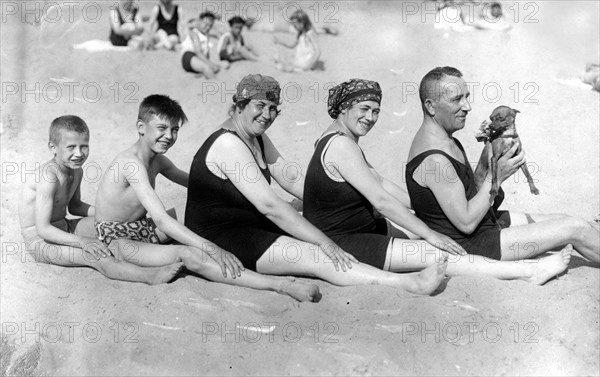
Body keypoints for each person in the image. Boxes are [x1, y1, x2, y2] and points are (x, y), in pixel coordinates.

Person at [185, 74, 449, 296]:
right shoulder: (228, 144)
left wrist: (338, 202)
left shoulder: (256, 138)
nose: (267, 114)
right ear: (239, 105)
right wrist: (326, 242)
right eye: (259, 106)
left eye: (273, 108)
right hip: (221, 240)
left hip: (246, 225)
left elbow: (291, 179)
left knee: (308, 221)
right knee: (319, 255)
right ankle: (407, 283)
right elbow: (270, 206)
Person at [303, 78, 572, 284]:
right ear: (343, 108)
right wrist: (430, 233)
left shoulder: (338, 138)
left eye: (375, 111)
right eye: (364, 109)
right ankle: (529, 271)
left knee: (431, 236)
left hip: (366, 227)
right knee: (443, 254)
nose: (370, 118)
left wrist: (424, 208)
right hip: (346, 240)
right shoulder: (341, 146)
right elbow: (382, 201)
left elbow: (380, 182)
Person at [93, 94, 320, 302]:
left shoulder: (158, 161)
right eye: (161, 128)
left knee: (196, 209)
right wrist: (212, 247)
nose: (169, 136)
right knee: (188, 253)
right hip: (118, 240)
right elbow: (161, 220)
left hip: (141, 227)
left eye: (174, 129)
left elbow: (201, 184)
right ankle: (279, 285)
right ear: (141, 127)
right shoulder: (131, 164)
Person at [406, 66, 599, 264]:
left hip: (486, 223)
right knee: (577, 229)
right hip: (475, 244)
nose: (467, 106)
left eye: (467, 97)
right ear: (430, 106)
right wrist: (495, 175)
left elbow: (463, 193)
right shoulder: (435, 160)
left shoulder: (445, 140)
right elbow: (466, 223)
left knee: (564, 219)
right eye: (457, 99)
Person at [18, 115, 181, 284]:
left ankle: (151, 246)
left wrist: (110, 217)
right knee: (96, 257)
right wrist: (83, 241)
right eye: (71, 147)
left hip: (64, 227)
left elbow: (75, 207)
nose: (78, 154)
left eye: (84, 147)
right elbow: (43, 229)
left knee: (113, 226)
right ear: (53, 147)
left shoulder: (76, 171)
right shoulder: (48, 177)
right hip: (40, 241)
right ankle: (151, 276)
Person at [180, 11, 225, 78]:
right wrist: (210, 64)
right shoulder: (194, 33)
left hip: (198, 58)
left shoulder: (206, 36)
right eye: (205, 24)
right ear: (199, 21)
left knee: (222, 65)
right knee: (207, 68)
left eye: (210, 26)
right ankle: (215, 81)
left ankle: (201, 71)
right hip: (189, 56)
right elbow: (198, 52)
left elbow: (206, 53)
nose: (207, 27)